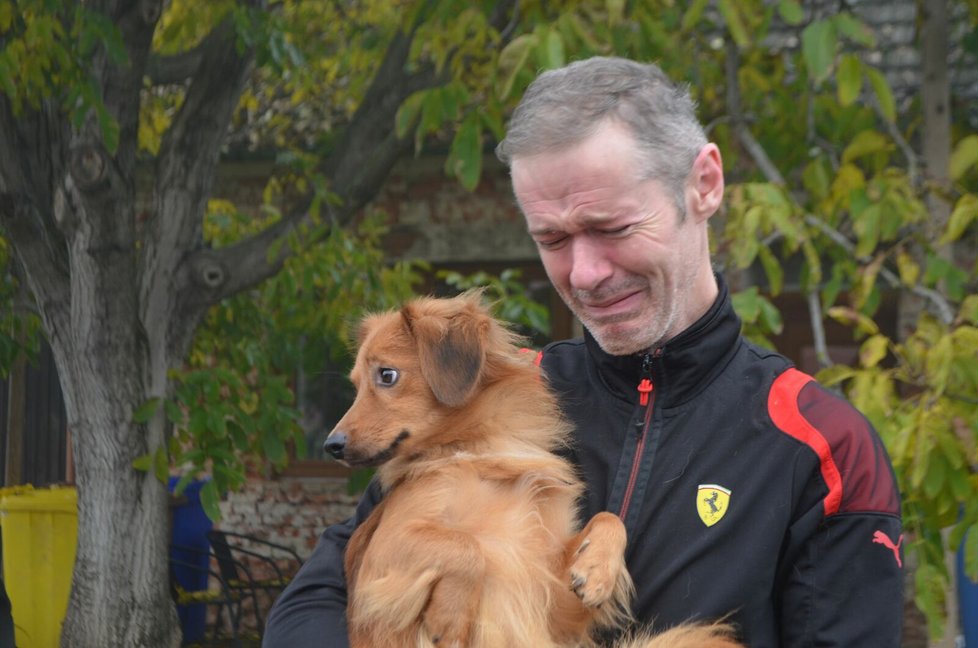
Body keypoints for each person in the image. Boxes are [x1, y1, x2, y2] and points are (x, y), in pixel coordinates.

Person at [264, 56, 903, 647]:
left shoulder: (823, 445)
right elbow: (308, 609)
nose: (585, 273)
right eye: (552, 238)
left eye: (612, 228)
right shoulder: (490, 399)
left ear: (703, 185)